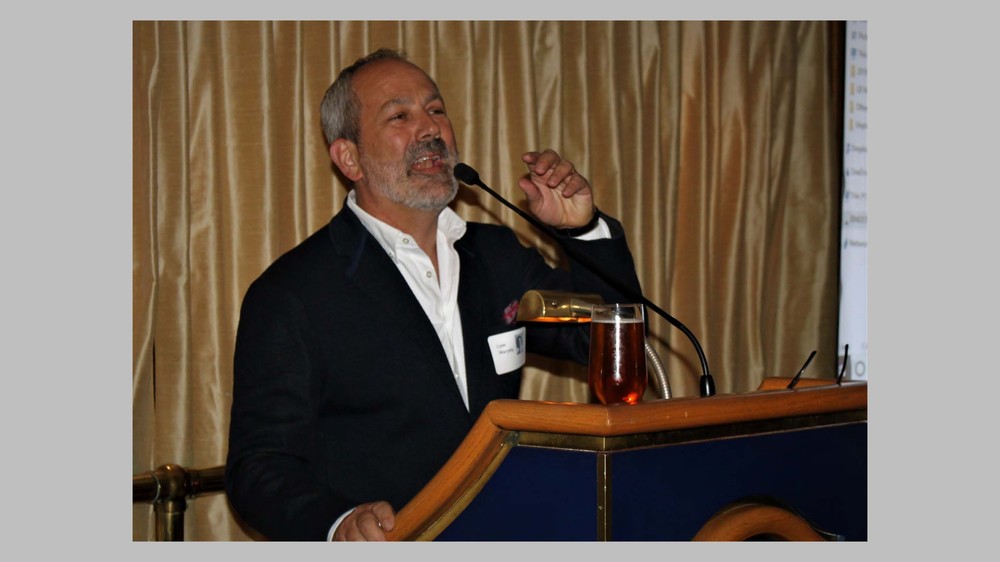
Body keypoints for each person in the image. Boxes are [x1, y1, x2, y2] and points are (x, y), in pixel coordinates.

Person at [224, 48, 643, 541]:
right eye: (400, 116)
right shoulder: (294, 294)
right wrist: (338, 523)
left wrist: (583, 229)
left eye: (436, 110)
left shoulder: (497, 256)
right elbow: (259, 467)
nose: (430, 128)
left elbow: (605, 343)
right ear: (349, 158)